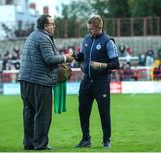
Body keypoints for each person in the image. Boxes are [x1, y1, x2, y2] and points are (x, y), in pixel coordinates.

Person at [18, 14, 74, 150]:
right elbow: (49, 59)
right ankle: (41, 144)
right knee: (42, 114)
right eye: (52, 24)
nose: (54, 26)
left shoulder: (32, 36)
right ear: (46, 26)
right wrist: (65, 57)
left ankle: (29, 143)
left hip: (25, 80)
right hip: (39, 81)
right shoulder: (43, 38)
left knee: (29, 112)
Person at [75, 15, 119, 148]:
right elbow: (82, 56)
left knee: (104, 112)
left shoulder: (108, 42)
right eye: (88, 29)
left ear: (99, 27)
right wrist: (75, 57)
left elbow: (116, 63)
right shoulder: (86, 39)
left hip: (101, 83)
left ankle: (106, 140)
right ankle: (85, 139)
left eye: (91, 29)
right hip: (86, 81)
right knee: (83, 110)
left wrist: (101, 65)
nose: (89, 32)